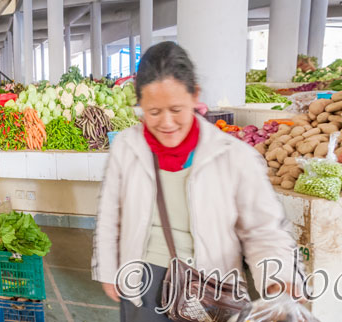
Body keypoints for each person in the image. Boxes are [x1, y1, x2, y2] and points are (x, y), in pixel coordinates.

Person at [91, 41, 301, 321]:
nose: (166, 122)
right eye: (154, 112)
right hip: (142, 280)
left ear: (195, 96)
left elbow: (263, 230)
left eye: (176, 109)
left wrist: (279, 279)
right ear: (140, 104)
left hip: (211, 286)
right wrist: (108, 270)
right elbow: (109, 214)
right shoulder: (126, 147)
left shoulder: (233, 155)